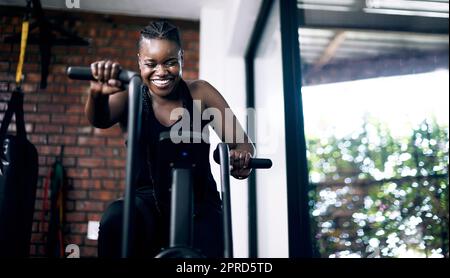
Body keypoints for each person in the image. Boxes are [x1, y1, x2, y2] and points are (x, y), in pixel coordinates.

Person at [85, 20, 255, 258]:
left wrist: (240, 159)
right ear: (139, 62)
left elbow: (242, 144)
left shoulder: (201, 93)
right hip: (145, 201)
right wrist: (96, 96)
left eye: (170, 62)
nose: (161, 71)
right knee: (116, 218)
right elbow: (100, 119)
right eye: (150, 64)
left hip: (200, 203)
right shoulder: (131, 96)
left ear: (181, 58)